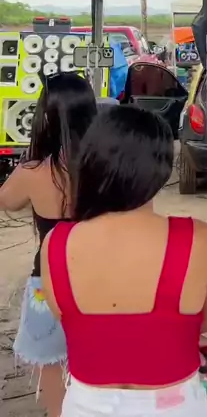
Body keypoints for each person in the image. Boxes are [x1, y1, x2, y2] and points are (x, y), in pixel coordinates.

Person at [41, 104, 207, 417]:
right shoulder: (199, 239)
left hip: (85, 406)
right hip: (175, 406)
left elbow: (68, 320)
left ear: (91, 162)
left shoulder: (55, 243)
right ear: (161, 169)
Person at [0, 72, 97, 417]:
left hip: (48, 281)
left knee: (51, 366)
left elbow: (7, 201)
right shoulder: (104, 166)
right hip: (103, 279)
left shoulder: (32, 171)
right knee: (99, 363)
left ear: (46, 115)